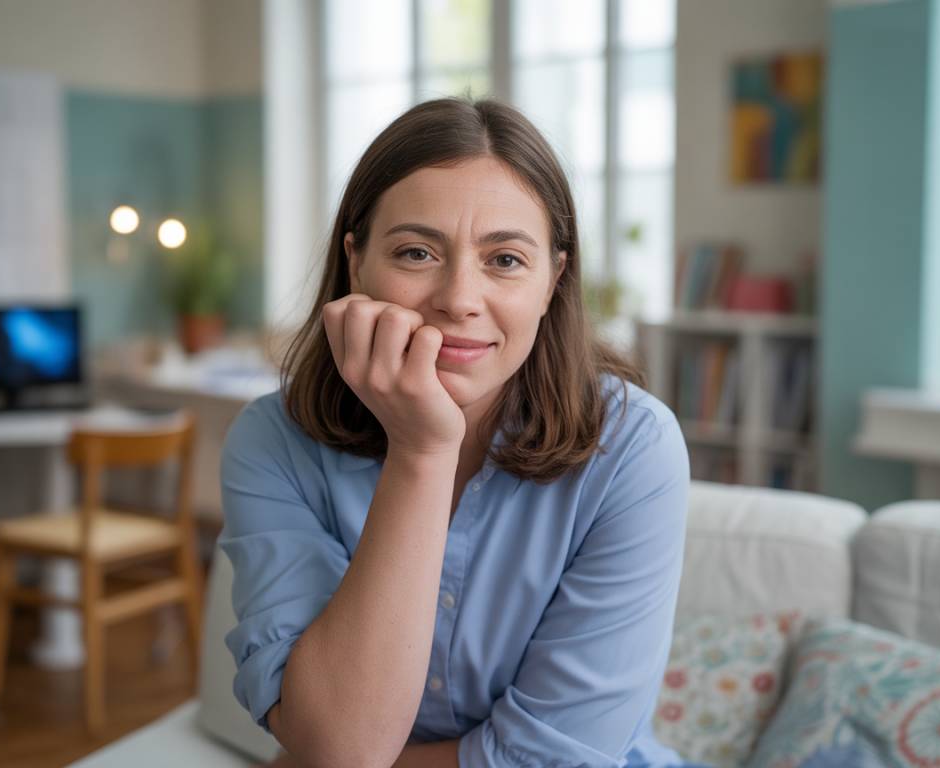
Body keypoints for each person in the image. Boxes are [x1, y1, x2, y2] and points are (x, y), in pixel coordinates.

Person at [220, 96, 698, 768]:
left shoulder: (632, 448)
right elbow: (340, 745)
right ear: (356, 262)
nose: (458, 299)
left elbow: (552, 760)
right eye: (416, 252)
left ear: (553, 279)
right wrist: (421, 452)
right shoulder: (272, 441)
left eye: (505, 260)